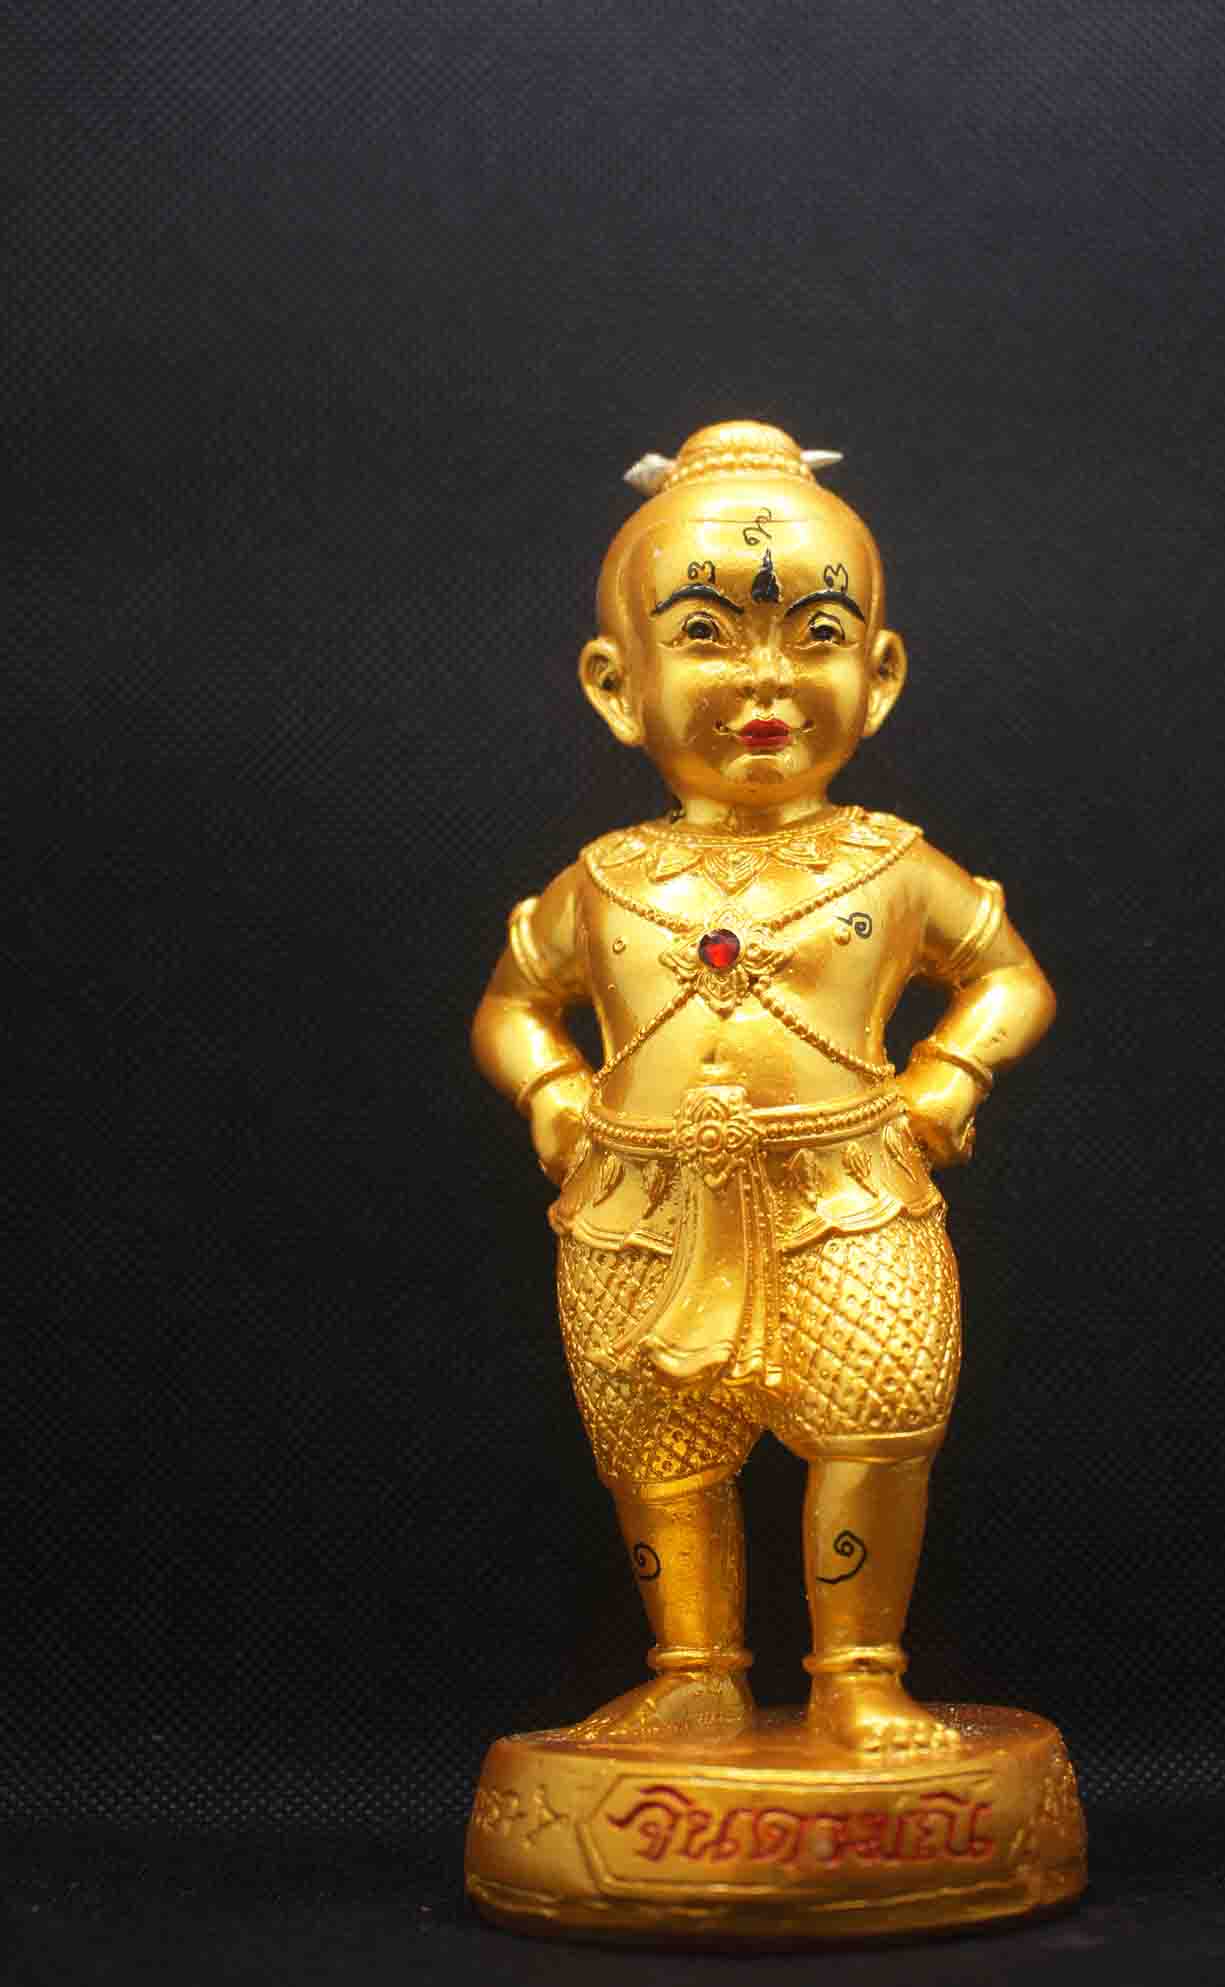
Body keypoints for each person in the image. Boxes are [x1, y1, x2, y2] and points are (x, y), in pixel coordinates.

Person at [471, 421, 1056, 1754]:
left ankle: (859, 1676)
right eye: (705, 634)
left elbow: (1009, 976)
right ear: (616, 686)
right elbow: (511, 1004)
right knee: (655, 1445)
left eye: (815, 633)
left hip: (849, 1195)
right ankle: (693, 1670)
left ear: (880, 674)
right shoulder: (604, 881)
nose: (766, 679)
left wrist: (950, 1072)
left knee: (875, 1426)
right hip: (640, 1204)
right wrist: (552, 1093)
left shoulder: (892, 866)